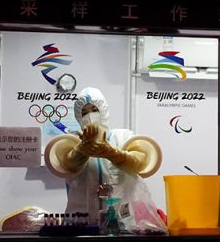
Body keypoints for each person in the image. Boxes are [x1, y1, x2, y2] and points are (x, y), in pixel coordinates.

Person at [43, 87, 164, 233]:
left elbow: (140, 162)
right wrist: (81, 151)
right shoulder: (71, 142)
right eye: (84, 112)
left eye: (94, 109)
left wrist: (113, 153)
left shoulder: (122, 137)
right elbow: (65, 164)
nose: (90, 116)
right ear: (77, 116)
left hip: (122, 224)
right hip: (81, 225)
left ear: (103, 110)